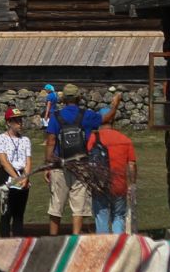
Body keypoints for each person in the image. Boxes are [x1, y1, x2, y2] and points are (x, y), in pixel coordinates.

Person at [45, 83, 122, 235]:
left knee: (56, 206)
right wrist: (115, 105)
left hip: (60, 164)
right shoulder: (86, 115)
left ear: (63, 99)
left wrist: (49, 164)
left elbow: (51, 141)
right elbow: (106, 118)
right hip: (81, 165)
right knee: (78, 207)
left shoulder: (56, 116)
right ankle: (75, 238)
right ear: (78, 98)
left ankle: (53, 239)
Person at [90, 120, 137, 234]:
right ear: (113, 123)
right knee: (119, 216)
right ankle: (118, 246)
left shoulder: (92, 138)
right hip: (120, 185)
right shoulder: (125, 139)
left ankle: (104, 248)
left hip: (100, 185)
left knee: (101, 217)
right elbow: (131, 165)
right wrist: (131, 185)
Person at [0, 109, 31, 237]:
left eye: (21, 120)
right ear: (9, 122)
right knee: (6, 213)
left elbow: (28, 160)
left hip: (22, 175)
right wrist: (16, 178)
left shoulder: (25, 140)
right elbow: (3, 161)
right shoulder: (1, 138)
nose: (20, 123)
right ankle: (4, 244)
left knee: (19, 215)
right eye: (16, 120)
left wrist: (25, 177)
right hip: (7, 175)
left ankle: (18, 243)